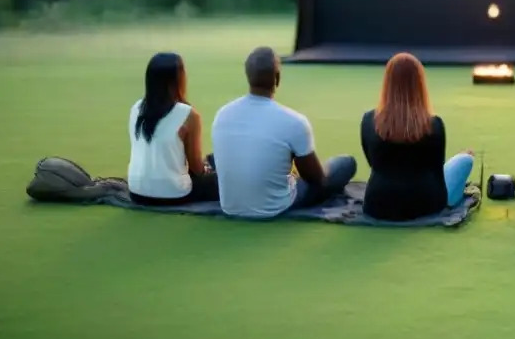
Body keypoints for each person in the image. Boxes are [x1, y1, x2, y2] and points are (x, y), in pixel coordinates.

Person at [211, 46, 357, 219]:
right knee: (345, 164)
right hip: (274, 206)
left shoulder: (222, 114)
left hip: (230, 205)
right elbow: (317, 180)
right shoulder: (294, 121)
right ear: (277, 78)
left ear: (248, 77)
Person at [360, 53, 474, 221]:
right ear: (420, 84)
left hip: (377, 205)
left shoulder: (369, 120)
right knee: (466, 159)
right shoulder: (434, 125)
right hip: (426, 205)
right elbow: (437, 173)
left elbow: (373, 163)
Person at [127, 52, 219, 205]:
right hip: (173, 193)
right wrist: (208, 171)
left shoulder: (136, 108)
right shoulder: (188, 115)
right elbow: (196, 168)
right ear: (178, 80)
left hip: (137, 192)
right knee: (220, 174)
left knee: (210, 161)